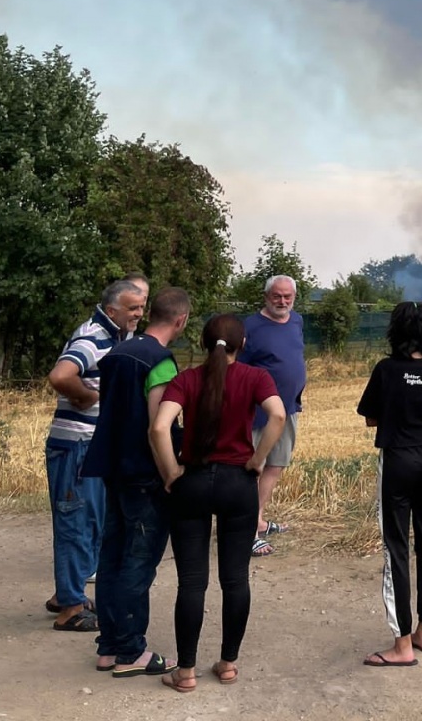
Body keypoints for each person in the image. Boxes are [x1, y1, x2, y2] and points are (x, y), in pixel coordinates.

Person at [150, 314, 286, 693]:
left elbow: (160, 427)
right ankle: (227, 664)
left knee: (192, 582)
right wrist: (258, 460)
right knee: (235, 578)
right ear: (242, 344)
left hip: (192, 481)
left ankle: (186, 671)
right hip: (237, 483)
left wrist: (171, 471)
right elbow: (277, 414)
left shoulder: (186, 379)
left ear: (205, 343)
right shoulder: (256, 377)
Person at [81, 287, 188, 676]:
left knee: (111, 556)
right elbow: (158, 427)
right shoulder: (159, 361)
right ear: (181, 320)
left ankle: (108, 646)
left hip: (113, 470)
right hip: (144, 475)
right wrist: (171, 473)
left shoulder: (116, 354)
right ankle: (131, 651)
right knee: (138, 563)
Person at [355, 302, 422, 668]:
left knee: (396, 548)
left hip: (398, 460)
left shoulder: (386, 369)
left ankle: (401, 647)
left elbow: (370, 417)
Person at [44, 279, 147, 632]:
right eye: (133, 308)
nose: (139, 314)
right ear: (113, 308)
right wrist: (86, 397)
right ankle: (71, 608)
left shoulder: (116, 336)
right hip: (76, 444)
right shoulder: (93, 337)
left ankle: (67, 594)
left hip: (89, 444)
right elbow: (60, 375)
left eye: (142, 307)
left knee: (89, 521)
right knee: (75, 520)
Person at [236, 275, 306, 555]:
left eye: (288, 297)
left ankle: (258, 519)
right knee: (255, 467)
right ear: (266, 297)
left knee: (276, 464)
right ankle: (248, 532)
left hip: (288, 408)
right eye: (277, 296)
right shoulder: (249, 327)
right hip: (259, 412)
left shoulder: (297, 321)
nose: (283, 301)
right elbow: (238, 369)